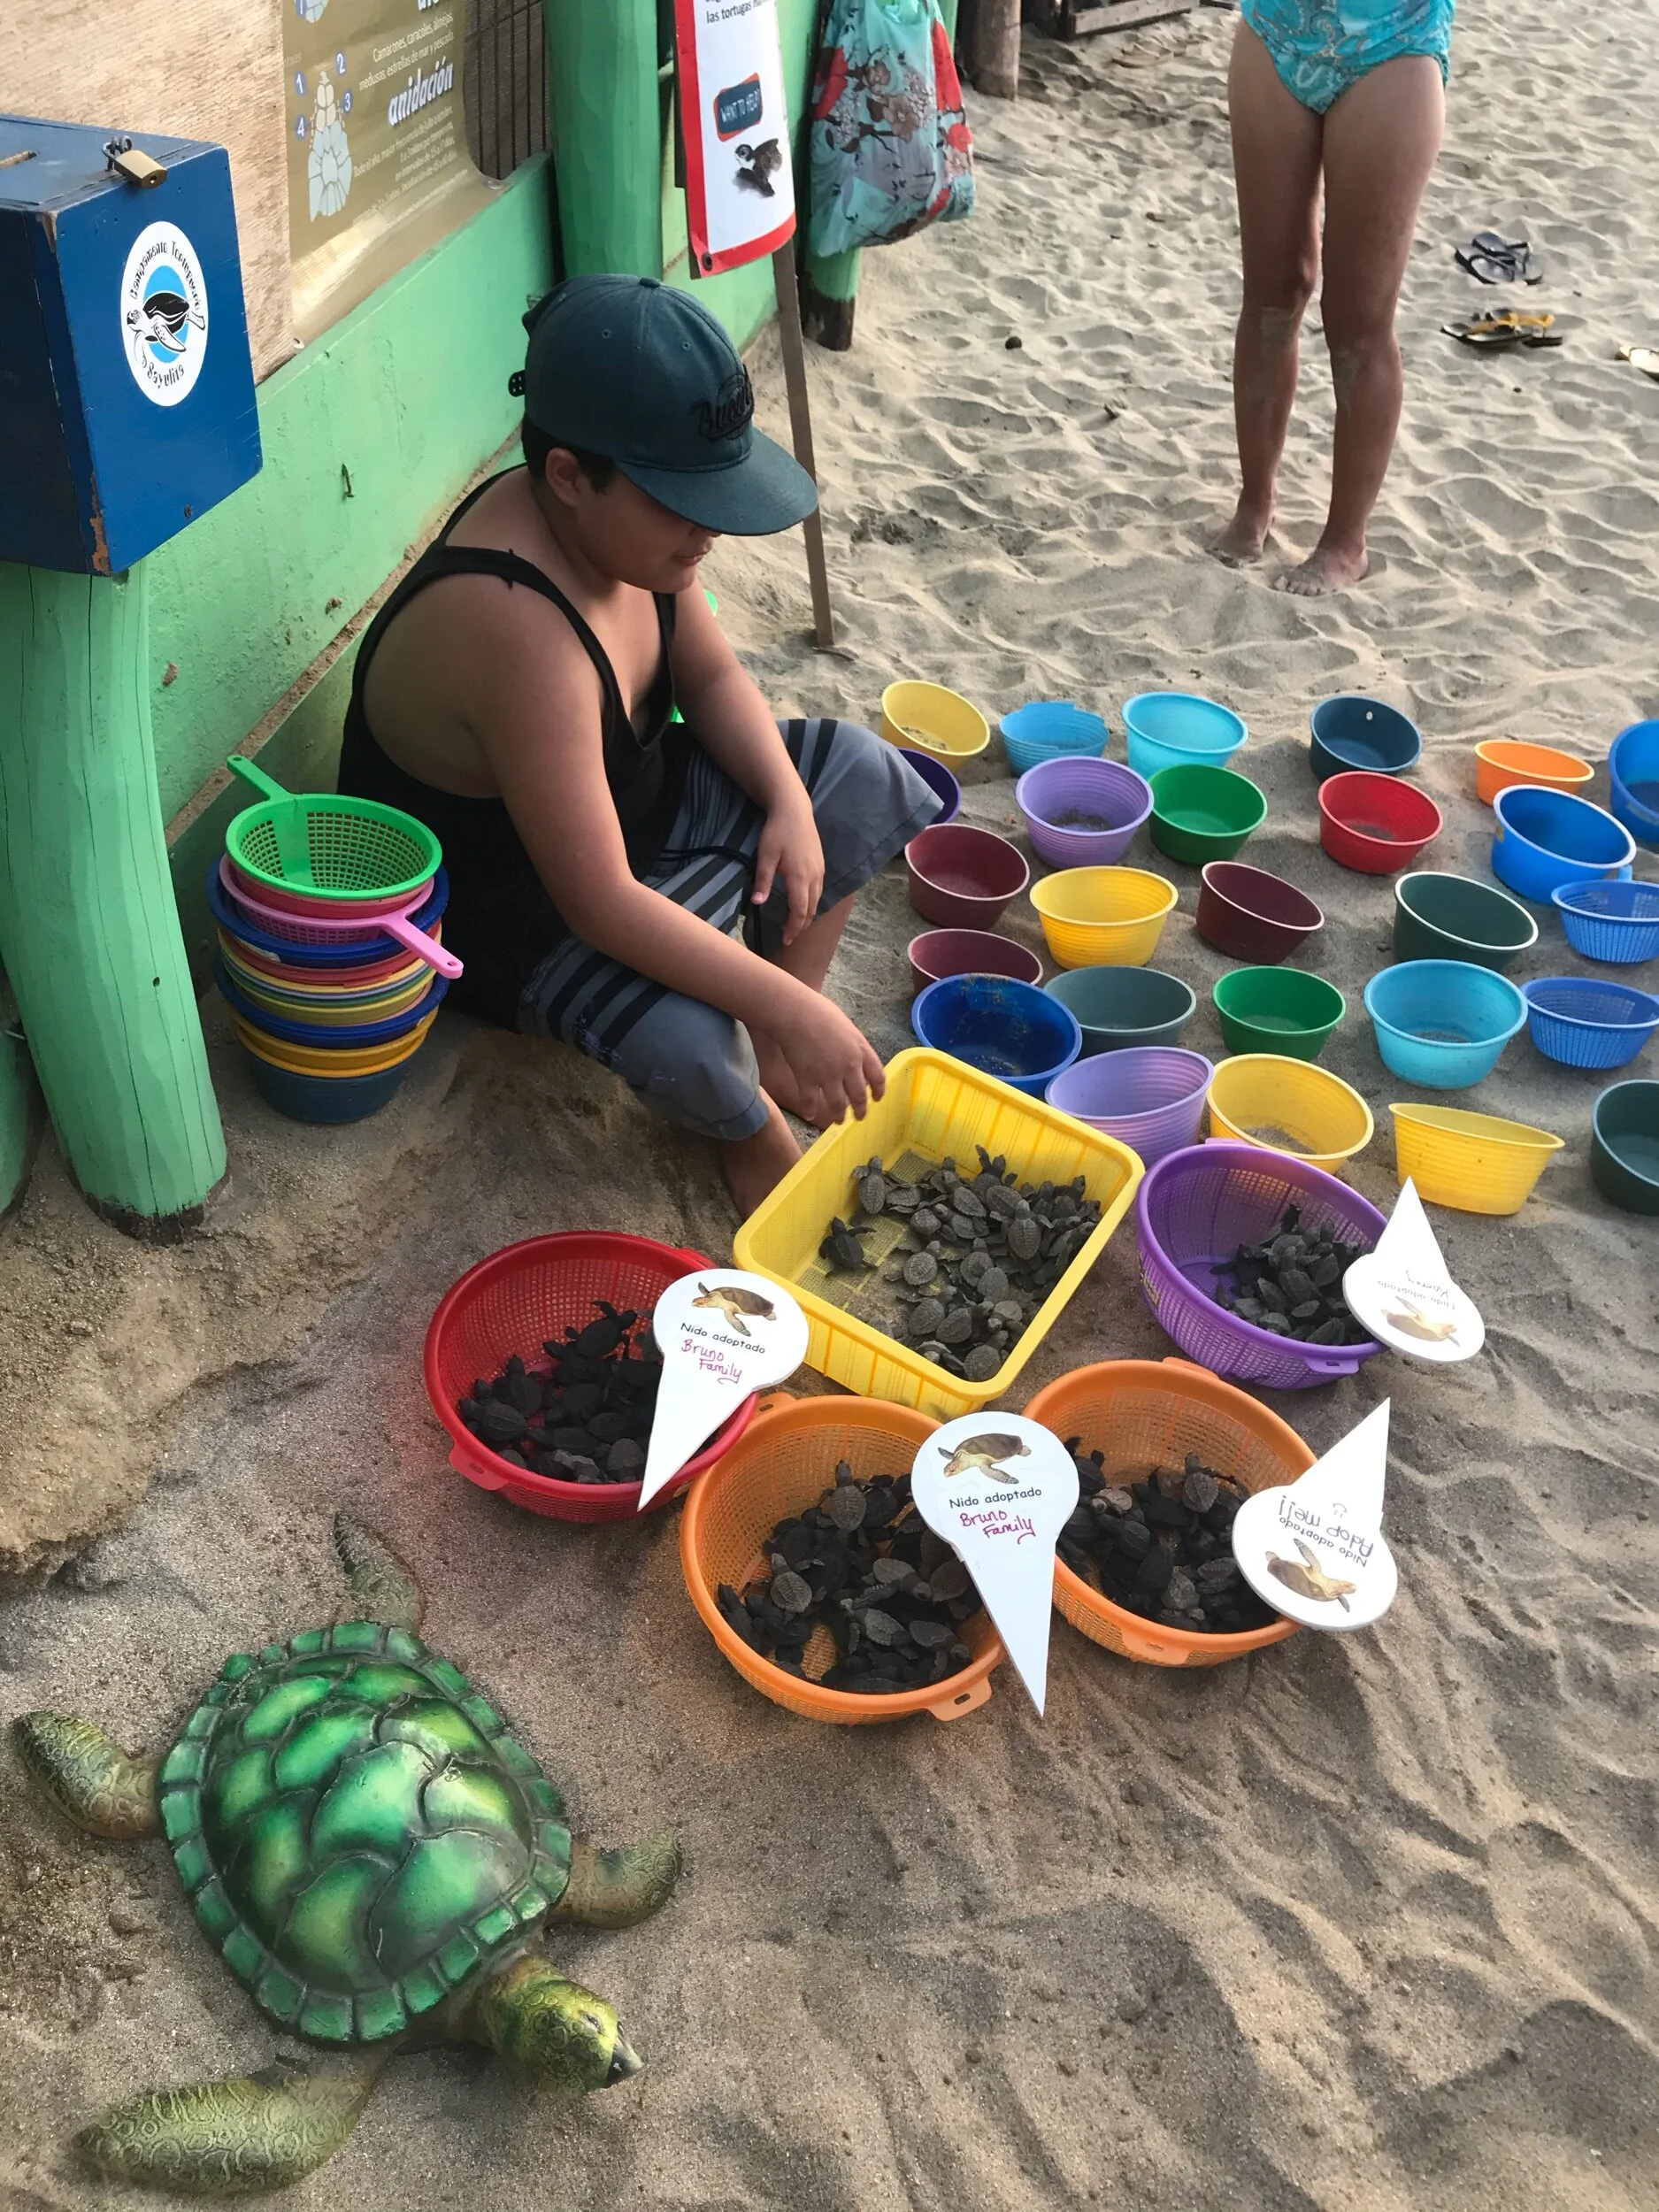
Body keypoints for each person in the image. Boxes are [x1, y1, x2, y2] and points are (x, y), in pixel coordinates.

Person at [338, 275, 940, 1213]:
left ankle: (774, 1049)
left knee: (855, 776)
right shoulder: (515, 624)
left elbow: (711, 680)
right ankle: (745, 1117)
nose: (708, 533)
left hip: (635, 810)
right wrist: (785, 1001)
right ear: (570, 477)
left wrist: (787, 802)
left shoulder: (627, 538)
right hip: (527, 909)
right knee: (692, 1041)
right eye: (680, 502)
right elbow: (602, 903)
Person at [1211, 0, 1454, 594]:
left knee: (1357, 322)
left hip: (1392, 46)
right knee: (1271, 292)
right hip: (1275, 31)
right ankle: (1254, 502)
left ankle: (1346, 542)